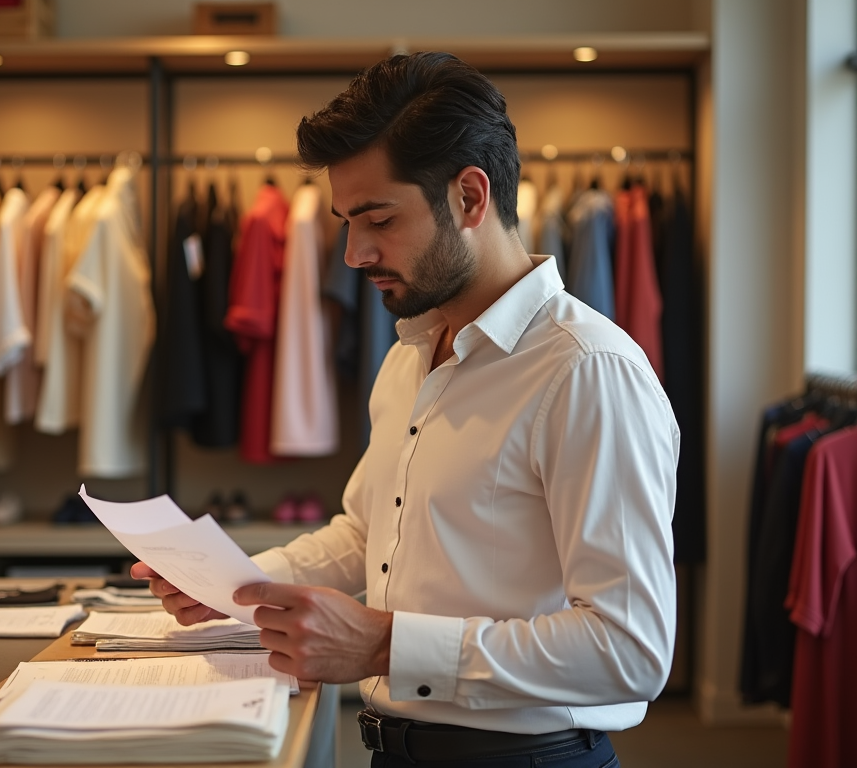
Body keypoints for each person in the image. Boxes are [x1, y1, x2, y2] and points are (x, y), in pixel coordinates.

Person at [133, 51, 679, 768]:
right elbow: (369, 534)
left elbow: (630, 648)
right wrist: (236, 586)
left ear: (470, 198)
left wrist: (386, 643)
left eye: (377, 219)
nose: (355, 253)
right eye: (344, 222)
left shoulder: (587, 373)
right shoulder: (410, 356)